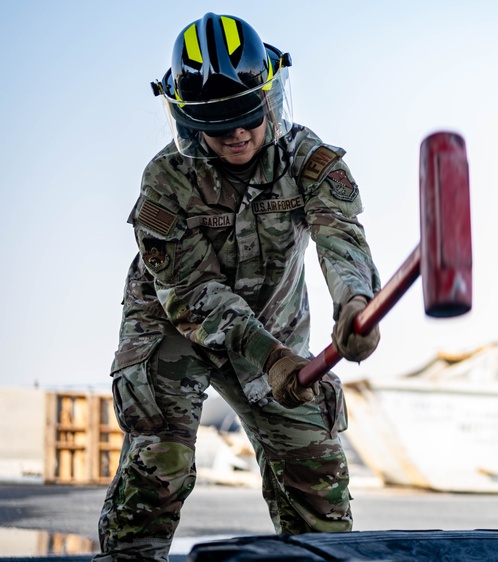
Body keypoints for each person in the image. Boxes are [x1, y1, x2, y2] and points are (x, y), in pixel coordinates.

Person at [96, 12, 381, 561]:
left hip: (273, 327)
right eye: (220, 123)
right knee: (162, 464)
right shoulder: (167, 182)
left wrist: (354, 299)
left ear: (269, 97)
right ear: (187, 119)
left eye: (248, 116)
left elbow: (339, 233)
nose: (238, 134)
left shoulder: (304, 158)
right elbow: (193, 293)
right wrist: (268, 357)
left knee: (315, 474)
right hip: (173, 331)